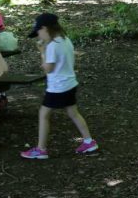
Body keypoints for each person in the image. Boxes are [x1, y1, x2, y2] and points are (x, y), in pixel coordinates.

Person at [20, 12, 98, 159]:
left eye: (39, 32)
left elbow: (48, 68)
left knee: (43, 114)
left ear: (45, 28)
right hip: (70, 83)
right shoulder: (65, 40)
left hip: (58, 88)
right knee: (73, 113)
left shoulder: (52, 47)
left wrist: (42, 52)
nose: (38, 36)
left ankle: (41, 149)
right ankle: (89, 141)